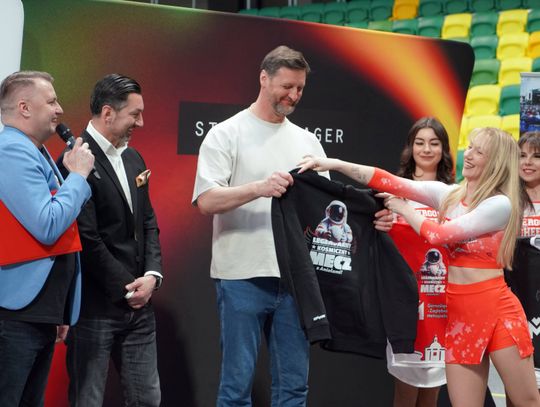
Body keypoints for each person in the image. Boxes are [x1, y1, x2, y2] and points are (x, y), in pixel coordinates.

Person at [192, 45, 391, 406]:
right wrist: (260, 188)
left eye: (300, 88)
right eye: (287, 86)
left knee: (294, 389)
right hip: (241, 276)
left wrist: (374, 216)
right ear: (263, 78)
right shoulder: (226, 134)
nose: (294, 96)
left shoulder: (308, 141)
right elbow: (206, 201)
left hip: (297, 281)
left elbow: (329, 208)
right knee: (236, 389)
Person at [298, 127, 540, 406]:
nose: (470, 154)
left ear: (495, 162)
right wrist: (334, 164)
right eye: (471, 147)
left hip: (497, 311)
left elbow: (440, 235)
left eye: (479, 151)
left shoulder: (500, 204)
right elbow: (388, 180)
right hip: (461, 316)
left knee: (525, 402)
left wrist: (405, 209)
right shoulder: (449, 195)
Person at [58, 74, 163, 406]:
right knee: (86, 399)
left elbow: (148, 222)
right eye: (135, 114)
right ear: (108, 113)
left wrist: (152, 276)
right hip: (94, 308)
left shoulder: (134, 158)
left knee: (147, 399)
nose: (141, 122)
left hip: (141, 307)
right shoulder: (75, 161)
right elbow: (86, 238)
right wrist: (128, 287)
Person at [0, 71, 94, 406]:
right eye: (51, 101)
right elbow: (48, 224)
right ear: (24, 108)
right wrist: (78, 176)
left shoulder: (33, 150)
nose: (60, 109)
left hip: (38, 311)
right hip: (16, 314)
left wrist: (58, 309)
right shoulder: (12, 150)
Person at [386, 117, 454, 407]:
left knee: (432, 392)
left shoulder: (454, 196)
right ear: (410, 147)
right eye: (420, 143)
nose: (426, 149)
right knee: (404, 391)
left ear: (443, 150)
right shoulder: (395, 190)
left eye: (434, 143)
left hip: (443, 301)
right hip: (405, 300)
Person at [506, 131, 540, 407]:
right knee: (516, 382)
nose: (528, 162)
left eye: (536, 156)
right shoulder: (505, 200)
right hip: (515, 299)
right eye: (522, 156)